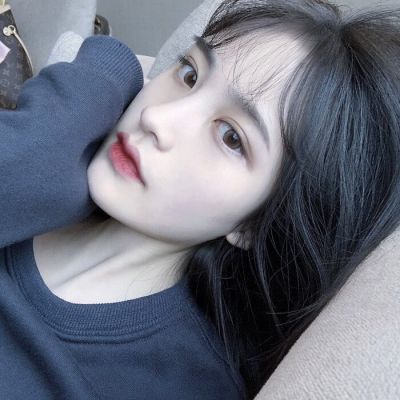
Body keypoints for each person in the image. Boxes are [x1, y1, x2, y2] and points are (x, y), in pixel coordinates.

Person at [2, 0, 400, 399]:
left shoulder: (176, 384)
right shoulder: (35, 161)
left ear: (252, 224)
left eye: (231, 137)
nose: (157, 119)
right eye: (190, 74)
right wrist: (68, 111)